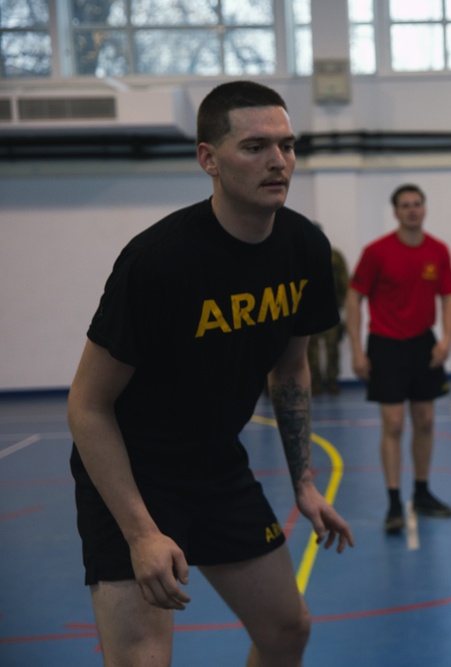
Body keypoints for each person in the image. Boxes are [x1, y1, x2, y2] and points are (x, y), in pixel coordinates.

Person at [66, 81, 354, 667]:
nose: (278, 161)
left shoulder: (304, 248)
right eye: (254, 147)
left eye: (287, 145)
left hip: (216, 466)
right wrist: (142, 533)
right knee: (144, 660)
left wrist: (303, 481)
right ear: (209, 159)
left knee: (286, 631)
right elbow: (87, 406)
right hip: (132, 474)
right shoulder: (158, 262)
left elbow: (292, 369)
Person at [345, 184, 451, 534]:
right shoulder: (376, 252)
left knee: (425, 420)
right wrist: (356, 349)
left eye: (417, 204)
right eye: (405, 205)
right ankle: (395, 502)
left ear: (424, 209)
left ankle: (422, 493)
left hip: (422, 344)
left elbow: (450, 297)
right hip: (386, 345)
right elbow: (353, 298)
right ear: (395, 212)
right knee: (393, 424)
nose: (412, 210)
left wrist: (446, 341)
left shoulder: (438, 251)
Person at [308, 238, 350, 394]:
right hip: (309, 313)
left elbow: (344, 282)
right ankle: (315, 383)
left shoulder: (334, 256)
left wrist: (343, 307)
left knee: (332, 349)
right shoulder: (301, 255)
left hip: (330, 310)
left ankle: (332, 382)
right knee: (310, 351)